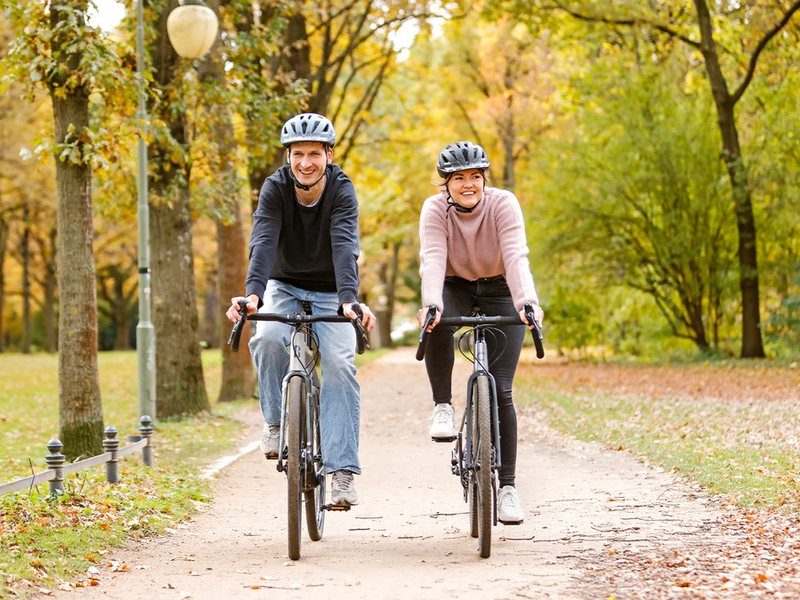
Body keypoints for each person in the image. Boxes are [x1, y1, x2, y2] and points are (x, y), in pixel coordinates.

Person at [226, 113, 375, 507]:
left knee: (341, 367)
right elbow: (262, 239)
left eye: (313, 153)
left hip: (332, 290)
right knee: (269, 336)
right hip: (283, 283)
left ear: (328, 154)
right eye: (297, 154)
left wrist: (348, 298)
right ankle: (276, 422)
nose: (305, 162)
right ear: (287, 156)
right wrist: (252, 295)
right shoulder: (275, 188)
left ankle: (342, 472)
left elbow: (345, 245)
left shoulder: (342, 190)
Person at [417, 141, 544, 524]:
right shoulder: (435, 209)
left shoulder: (503, 204)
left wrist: (527, 302)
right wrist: (431, 301)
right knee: (436, 319)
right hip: (454, 286)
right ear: (446, 184)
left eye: (475, 176)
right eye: (459, 178)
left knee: (501, 389)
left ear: (484, 178)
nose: (468, 184)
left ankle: (507, 488)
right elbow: (433, 257)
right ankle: (443, 406)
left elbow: (516, 253)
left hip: (501, 289)